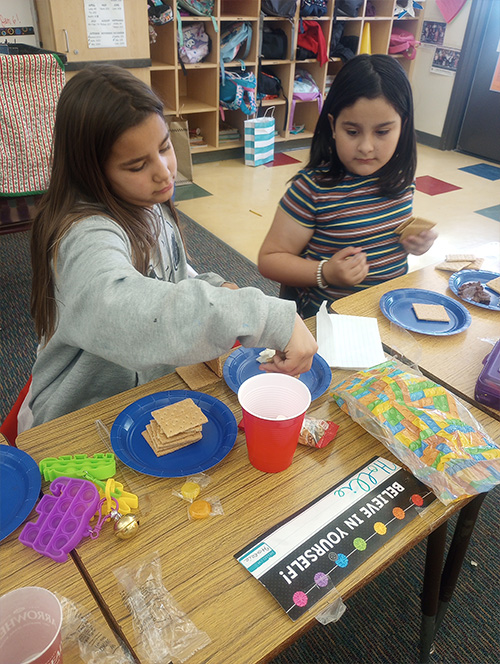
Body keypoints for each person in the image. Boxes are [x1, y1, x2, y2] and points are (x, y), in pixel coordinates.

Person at [22, 65, 317, 429]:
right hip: (80, 418)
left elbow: (173, 279)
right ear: (92, 171)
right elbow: (123, 309)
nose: (164, 172)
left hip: (146, 396)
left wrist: (215, 286)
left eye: (164, 147)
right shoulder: (84, 236)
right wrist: (264, 316)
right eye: (136, 165)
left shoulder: (150, 205)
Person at [258, 54, 437, 318]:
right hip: (329, 320)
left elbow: (387, 237)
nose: (366, 147)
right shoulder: (311, 189)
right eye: (352, 132)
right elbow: (270, 259)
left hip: (387, 312)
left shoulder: (401, 180)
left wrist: (416, 243)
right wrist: (325, 272)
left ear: (403, 127)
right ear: (333, 125)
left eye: (382, 132)